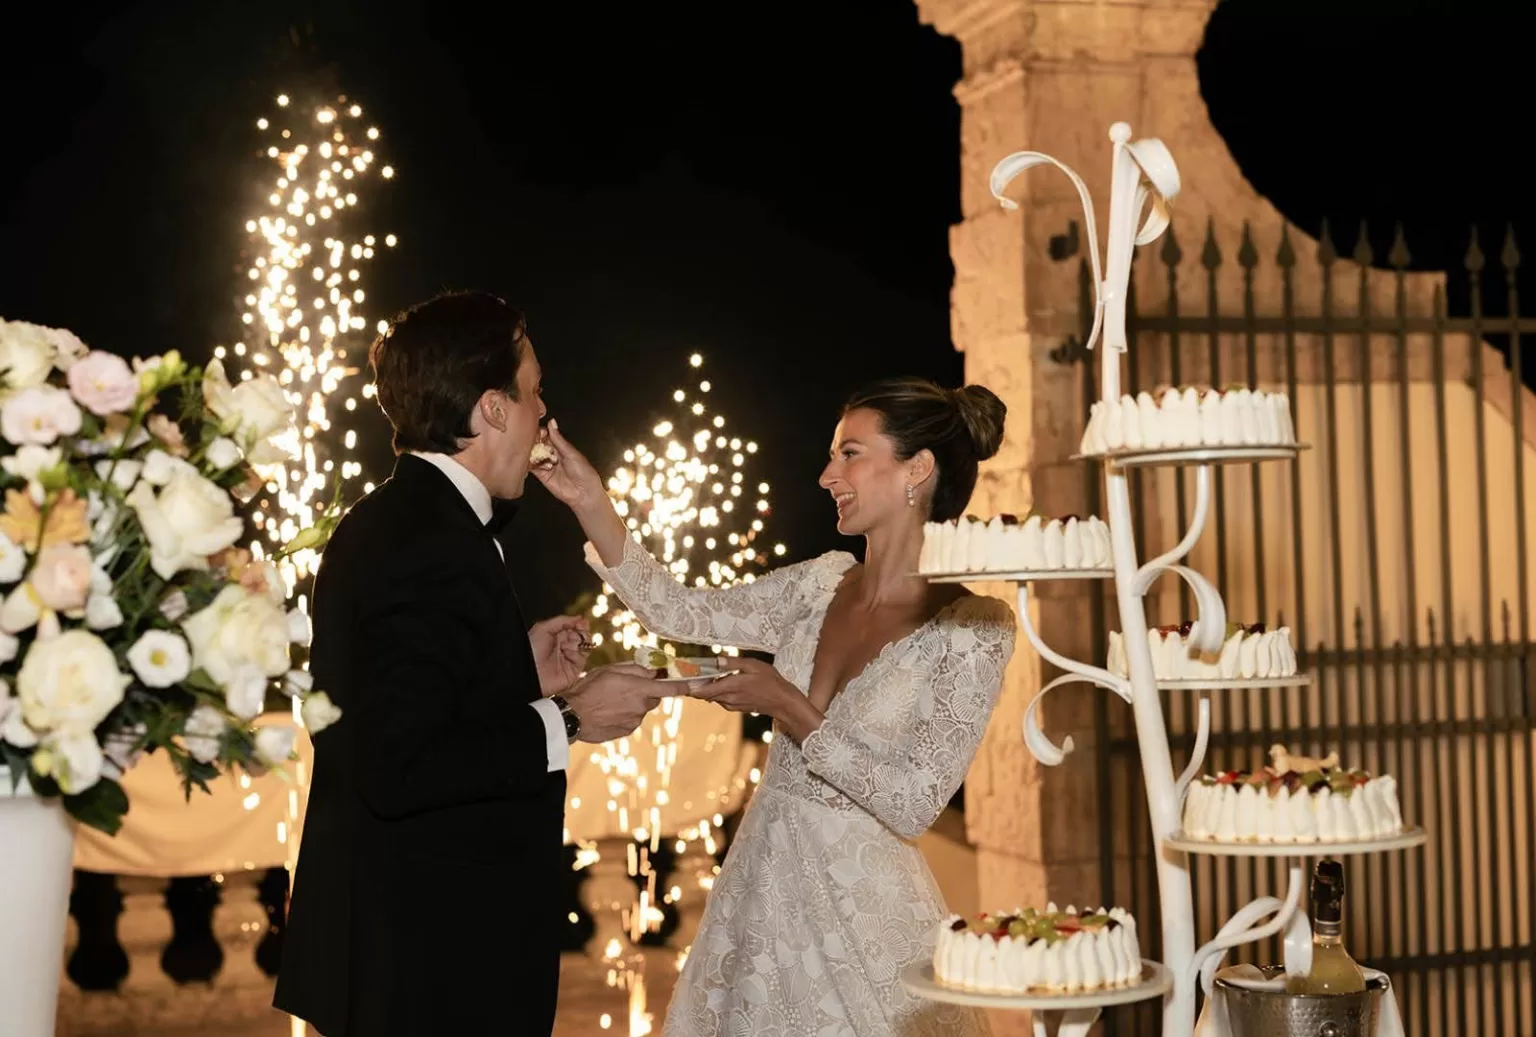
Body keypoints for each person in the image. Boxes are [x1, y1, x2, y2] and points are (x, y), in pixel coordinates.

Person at [536, 377, 1018, 1037]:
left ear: (918, 468)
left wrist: (789, 704)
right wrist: (589, 498)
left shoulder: (976, 627)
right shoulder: (819, 583)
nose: (826, 475)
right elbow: (679, 610)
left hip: (865, 928)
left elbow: (913, 801)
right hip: (760, 896)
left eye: (850, 453)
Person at [274, 292, 667, 1037]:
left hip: (417, 954)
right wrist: (573, 715)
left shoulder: (406, 520)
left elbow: (398, 700)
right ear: (492, 407)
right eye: (534, 391)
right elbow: (400, 765)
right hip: (427, 971)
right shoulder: (428, 539)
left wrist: (515, 669)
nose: (544, 416)